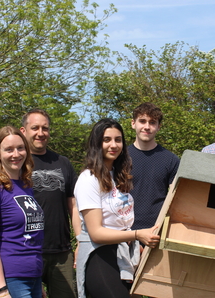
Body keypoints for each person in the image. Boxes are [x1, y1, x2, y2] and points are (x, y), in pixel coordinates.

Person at [74, 118, 160, 298]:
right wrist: (137, 234)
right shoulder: (89, 179)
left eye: (118, 139)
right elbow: (96, 233)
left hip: (121, 254)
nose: (113, 145)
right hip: (98, 254)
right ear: (96, 143)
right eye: (107, 140)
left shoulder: (118, 176)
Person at [0, 126, 44, 298]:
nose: (16, 154)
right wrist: (1, 291)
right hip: (7, 280)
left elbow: (30, 237)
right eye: (9, 149)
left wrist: (38, 283)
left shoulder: (25, 186)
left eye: (20, 148)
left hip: (32, 278)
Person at [21, 109, 80, 298]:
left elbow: (74, 206)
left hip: (61, 251)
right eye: (35, 128)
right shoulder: (16, 163)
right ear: (23, 131)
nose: (40, 133)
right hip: (27, 251)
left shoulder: (62, 162)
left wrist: (80, 241)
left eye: (45, 128)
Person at [129, 102, 180, 232]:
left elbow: (176, 199)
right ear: (133, 123)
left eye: (152, 122)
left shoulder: (171, 160)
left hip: (156, 231)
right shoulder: (120, 157)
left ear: (158, 127)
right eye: (142, 121)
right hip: (123, 232)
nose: (147, 127)